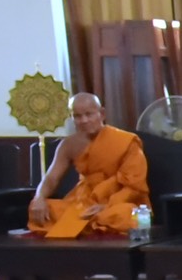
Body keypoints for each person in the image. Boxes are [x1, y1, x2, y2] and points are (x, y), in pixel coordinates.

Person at [27, 93, 149, 237]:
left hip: (118, 202)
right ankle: (90, 224)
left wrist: (106, 205)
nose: (84, 120)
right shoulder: (69, 144)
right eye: (77, 116)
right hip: (84, 201)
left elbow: (134, 186)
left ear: (102, 114)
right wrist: (39, 197)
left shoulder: (127, 141)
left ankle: (85, 224)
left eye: (89, 114)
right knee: (44, 209)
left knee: (126, 215)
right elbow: (51, 178)